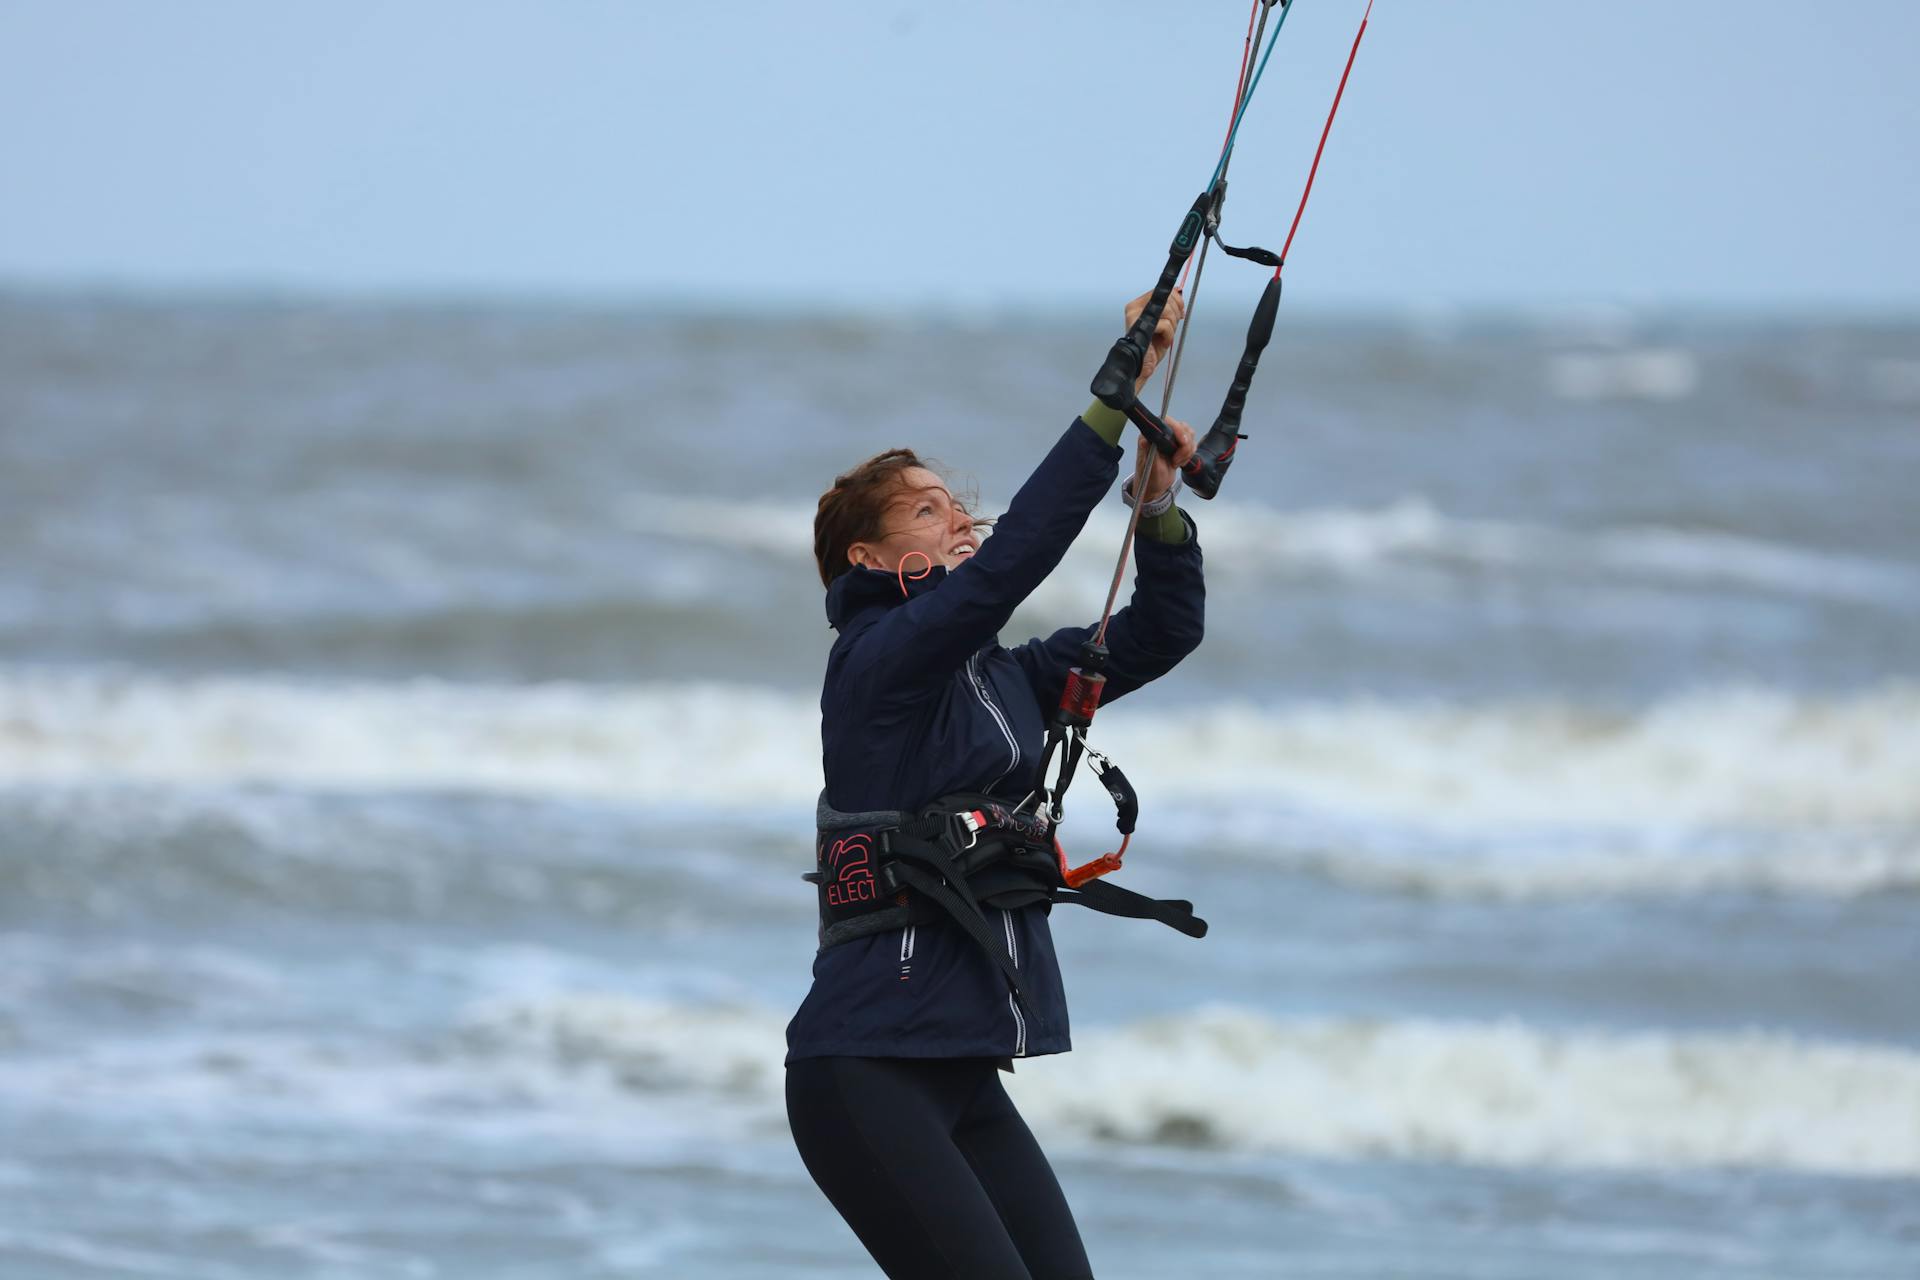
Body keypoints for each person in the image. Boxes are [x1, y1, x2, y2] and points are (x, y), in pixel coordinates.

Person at [786, 289, 1206, 1280]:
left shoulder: (1010, 678)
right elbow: (1004, 571)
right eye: (931, 508)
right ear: (874, 557)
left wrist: (1156, 505)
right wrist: (1118, 389)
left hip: (962, 1072)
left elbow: (1159, 632)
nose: (961, 515)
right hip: (866, 1067)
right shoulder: (874, 664)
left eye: (956, 499)